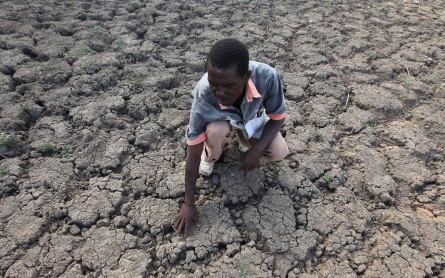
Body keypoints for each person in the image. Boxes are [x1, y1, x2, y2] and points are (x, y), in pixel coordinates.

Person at [174, 38, 289, 237]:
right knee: (216, 131)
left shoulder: (267, 77)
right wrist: (189, 204)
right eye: (214, 84)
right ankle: (212, 154)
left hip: (249, 119)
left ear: (246, 76)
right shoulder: (203, 95)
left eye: (228, 85)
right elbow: (192, 154)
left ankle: (244, 140)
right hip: (221, 121)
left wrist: (257, 149)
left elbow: (278, 117)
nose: (220, 92)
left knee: (279, 151)